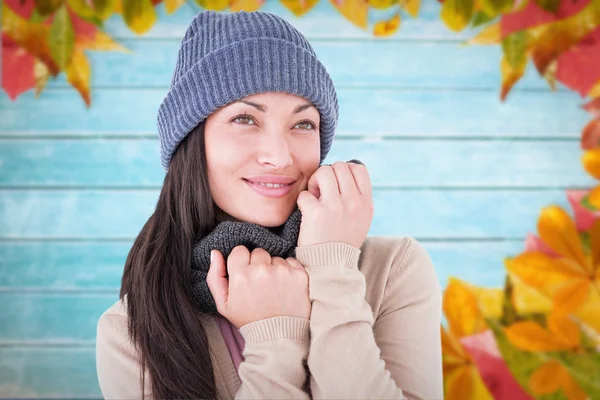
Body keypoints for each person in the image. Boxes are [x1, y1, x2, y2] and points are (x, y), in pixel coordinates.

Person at [95, 9, 443, 400]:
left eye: (303, 124)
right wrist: (275, 342)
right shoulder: (132, 332)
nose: (279, 157)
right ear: (192, 141)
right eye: (245, 119)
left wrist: (332, 268)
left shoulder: (392, 270)